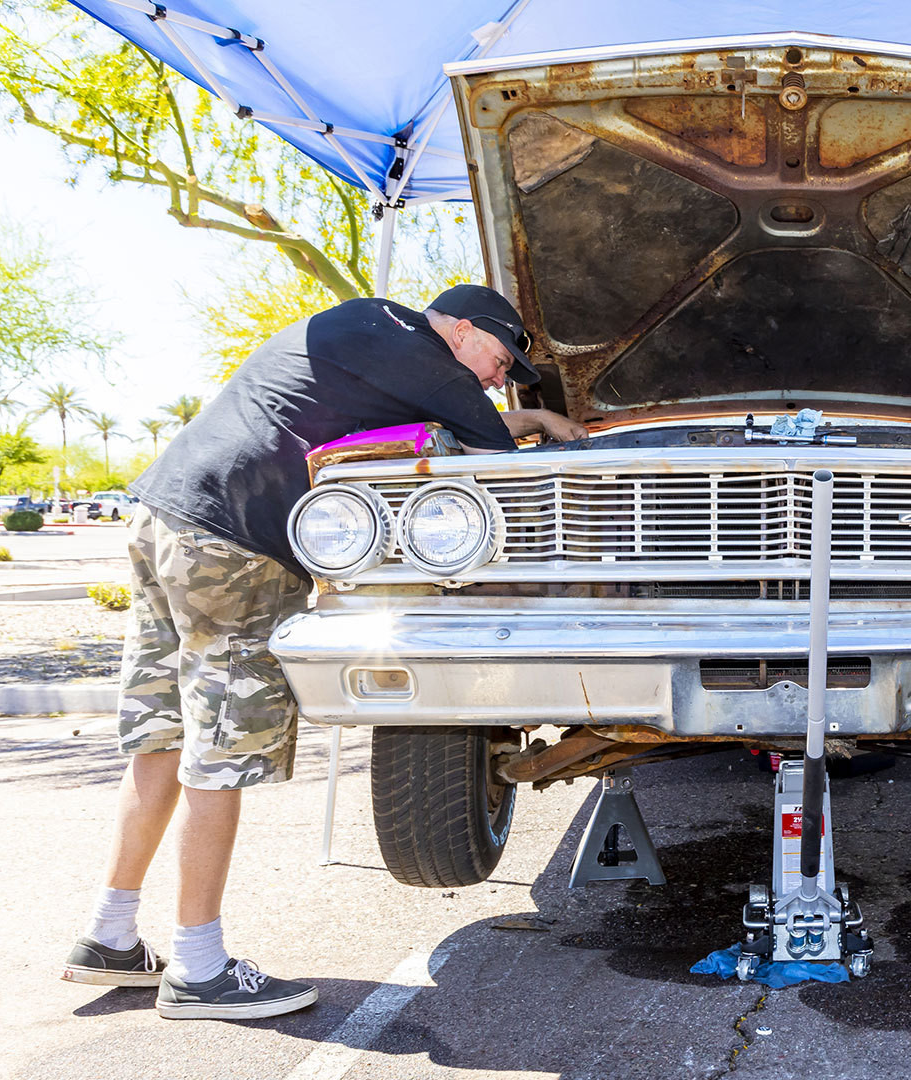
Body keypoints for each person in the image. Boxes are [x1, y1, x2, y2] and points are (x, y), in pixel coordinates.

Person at [59, 284, 586, 1019]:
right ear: (463, 332)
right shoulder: (431, 364)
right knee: (222, 752)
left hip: (163, 515)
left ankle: (109, 934)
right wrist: (543, 424)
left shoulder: (374, 325)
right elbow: (492, 456)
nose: (498, 379)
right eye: (501, 362)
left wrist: (527, 413)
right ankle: (200, 969)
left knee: (163, 740)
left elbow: (452, 420)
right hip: (234, 545)